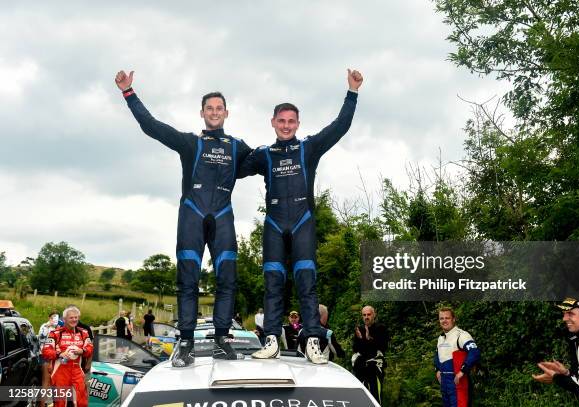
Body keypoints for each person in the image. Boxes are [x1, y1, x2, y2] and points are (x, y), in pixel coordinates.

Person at [115, 70, 252, 365]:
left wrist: (296, 150)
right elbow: (152, 127)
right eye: (209, 108)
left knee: (227, 280)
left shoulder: (237, 147)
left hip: (223, 216)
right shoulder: (190, 142)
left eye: (219, 108)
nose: (214, 112)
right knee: (187, 281)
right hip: (191, 214)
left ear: (226, 112)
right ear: (202, 113)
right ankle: (186, 341)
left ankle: (221, 339)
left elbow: (267, 162)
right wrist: (129, 93)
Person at [239, 69, 363, 363]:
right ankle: (270, 340)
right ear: (273, 123)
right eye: (281, 121)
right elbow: (233, 166)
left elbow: (340, 126)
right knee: (273, 283)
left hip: (302, 221)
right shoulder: (264, 153)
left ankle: (312, 341)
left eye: (291, 121)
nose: (286, 125)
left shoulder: (308, 147)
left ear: (298, 123)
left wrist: (352, 92)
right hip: (273, 224)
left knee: (307, 282)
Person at [42, 305, 93, 407]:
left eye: (76, 317)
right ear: (64, 319)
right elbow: (46, 351)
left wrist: (82, 351)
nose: (74, 320)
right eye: (71, 317)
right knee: (60, 403)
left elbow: (90, 348)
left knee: (81, 402)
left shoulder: (84, 333)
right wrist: (59, 354)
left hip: (77, 371)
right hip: (60, 371)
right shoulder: (55, 333)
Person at [434, 307, 481, 407]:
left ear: (454, 319)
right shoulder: (441, 338)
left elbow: (474, 352)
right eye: (441, 318)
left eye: (447, 318)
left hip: (458, 381)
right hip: (444, 382)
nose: (444, 321)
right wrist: (437, 370)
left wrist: (462, 371)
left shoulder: (461, 335)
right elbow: (437, 355)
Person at [352, 305, 389, 404]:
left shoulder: (381, 328)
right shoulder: (360, 329)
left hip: (375, 368)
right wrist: (361, 339)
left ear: (374, 315)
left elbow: (383, 347)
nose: (366, 317)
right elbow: (355, 349)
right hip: (361, 367)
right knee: (360, 395)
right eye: (364, 315)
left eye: (368, 314)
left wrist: (369, 339)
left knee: (375, 396)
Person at [38, 311, 60, 407]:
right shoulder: (44, 326)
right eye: (52, 318)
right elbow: (41, 338)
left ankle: (55, 403)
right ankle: (42, 404)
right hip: (45, 356)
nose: (54, 320)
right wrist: (49, 326)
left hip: (56, 357)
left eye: (56, 318)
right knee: (45, 382)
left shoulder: (59, 328)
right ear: (49, 318)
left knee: (55, 382)